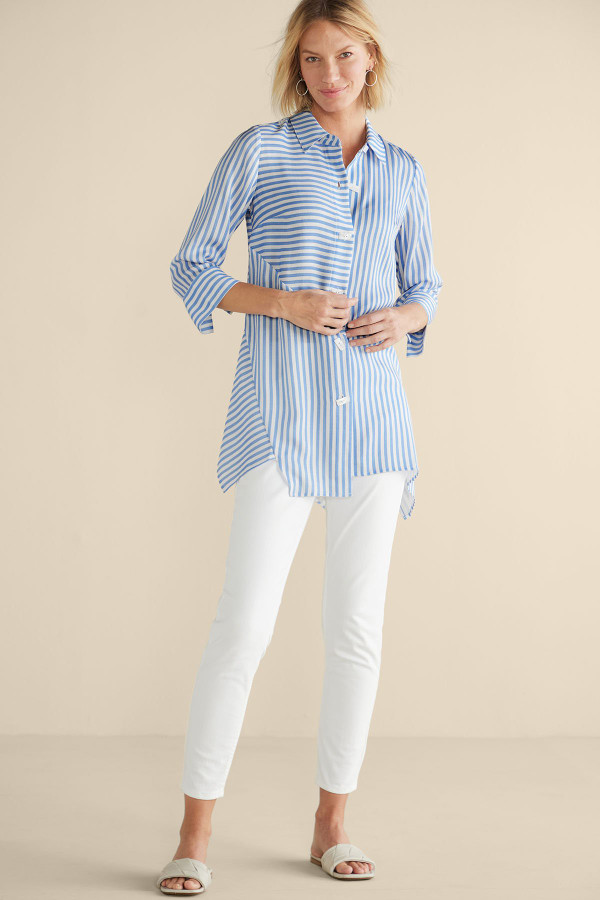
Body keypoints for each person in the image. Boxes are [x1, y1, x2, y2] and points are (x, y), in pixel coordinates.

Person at [157, 0, 443, 892]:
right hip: (281, 418)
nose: (330, 74)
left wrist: (405, 317)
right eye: (313, 59)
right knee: (242, 625)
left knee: (356, 630)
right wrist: (282, 302)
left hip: (374, 426)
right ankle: (194, 836)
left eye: (345, 55)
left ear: (371, 60)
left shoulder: (403, 170)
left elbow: (427, 286)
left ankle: (331, 825)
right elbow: (191, 264)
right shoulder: (260, 151)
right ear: (297, 67)